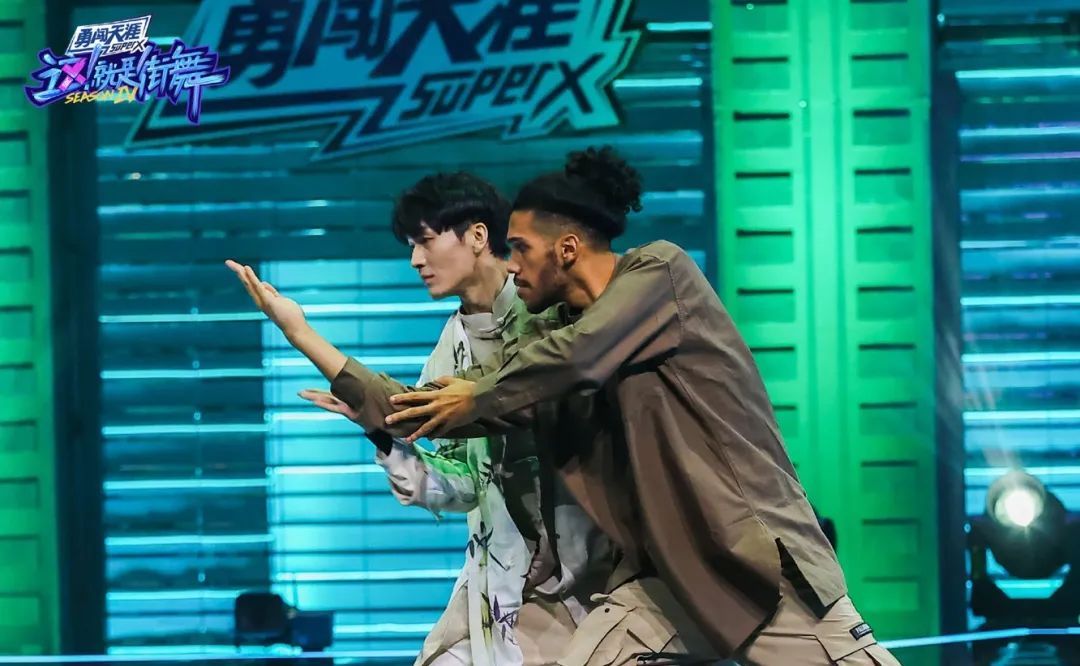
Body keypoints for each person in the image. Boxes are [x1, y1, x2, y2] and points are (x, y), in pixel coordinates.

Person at [364, 147, 902, 665]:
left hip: (754, 562)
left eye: (521, 248)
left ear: (567, 249)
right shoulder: (557, 333)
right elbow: (498, 394)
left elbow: (577, 357)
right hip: (666, 573)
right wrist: (347, 376)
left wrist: (479, 394)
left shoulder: (659, 275)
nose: (512, 264)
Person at [226, 172, 613, 665]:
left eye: (425, 241)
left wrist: (304, 336)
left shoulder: (554, 314)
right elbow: (464, 486)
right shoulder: (446, 356)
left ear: (477, 236)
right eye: (412, 246)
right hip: (501, 580)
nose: (415, 260)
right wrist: (381, 435)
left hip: (584, 568)